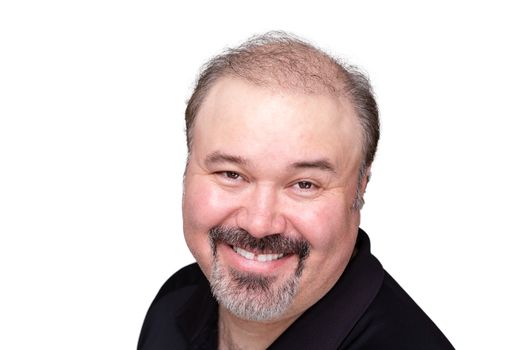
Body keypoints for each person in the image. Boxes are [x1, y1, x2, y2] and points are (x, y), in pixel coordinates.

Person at [138, 32, 454, 349]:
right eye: (231, 174)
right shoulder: (175, 303)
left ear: (360, 187)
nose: (259, 223)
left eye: (304, 184)